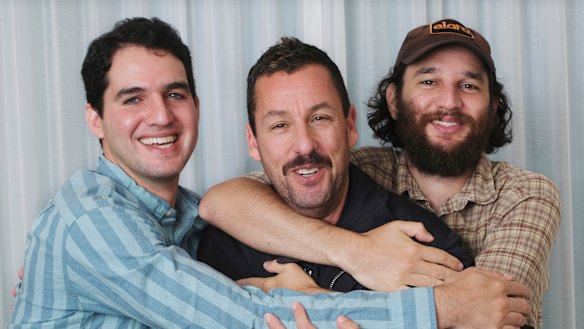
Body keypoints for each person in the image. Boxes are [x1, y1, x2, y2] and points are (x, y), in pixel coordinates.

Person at [8, 16, 529, 329]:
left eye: (175, 94)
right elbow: (241, 319)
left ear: (351, 127)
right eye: (132, 98)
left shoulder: (189, 227)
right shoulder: (94, 226)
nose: (161, 116)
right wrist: (437, 311)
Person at [198, 18, 559, 329]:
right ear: (394, 100)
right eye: (429, 81)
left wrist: (310, 301)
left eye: (468, 85)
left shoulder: (523, 196)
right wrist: (359, 253)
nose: (449, 101)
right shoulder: (359, 166)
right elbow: (223, 202)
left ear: (348, 127)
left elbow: (486, 311)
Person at [197, 37, 474, 293]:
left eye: (320, 118)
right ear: (254, 142)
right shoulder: (221, 246)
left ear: (350, 126)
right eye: (280, 125)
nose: (305, 145)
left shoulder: (424, 244)